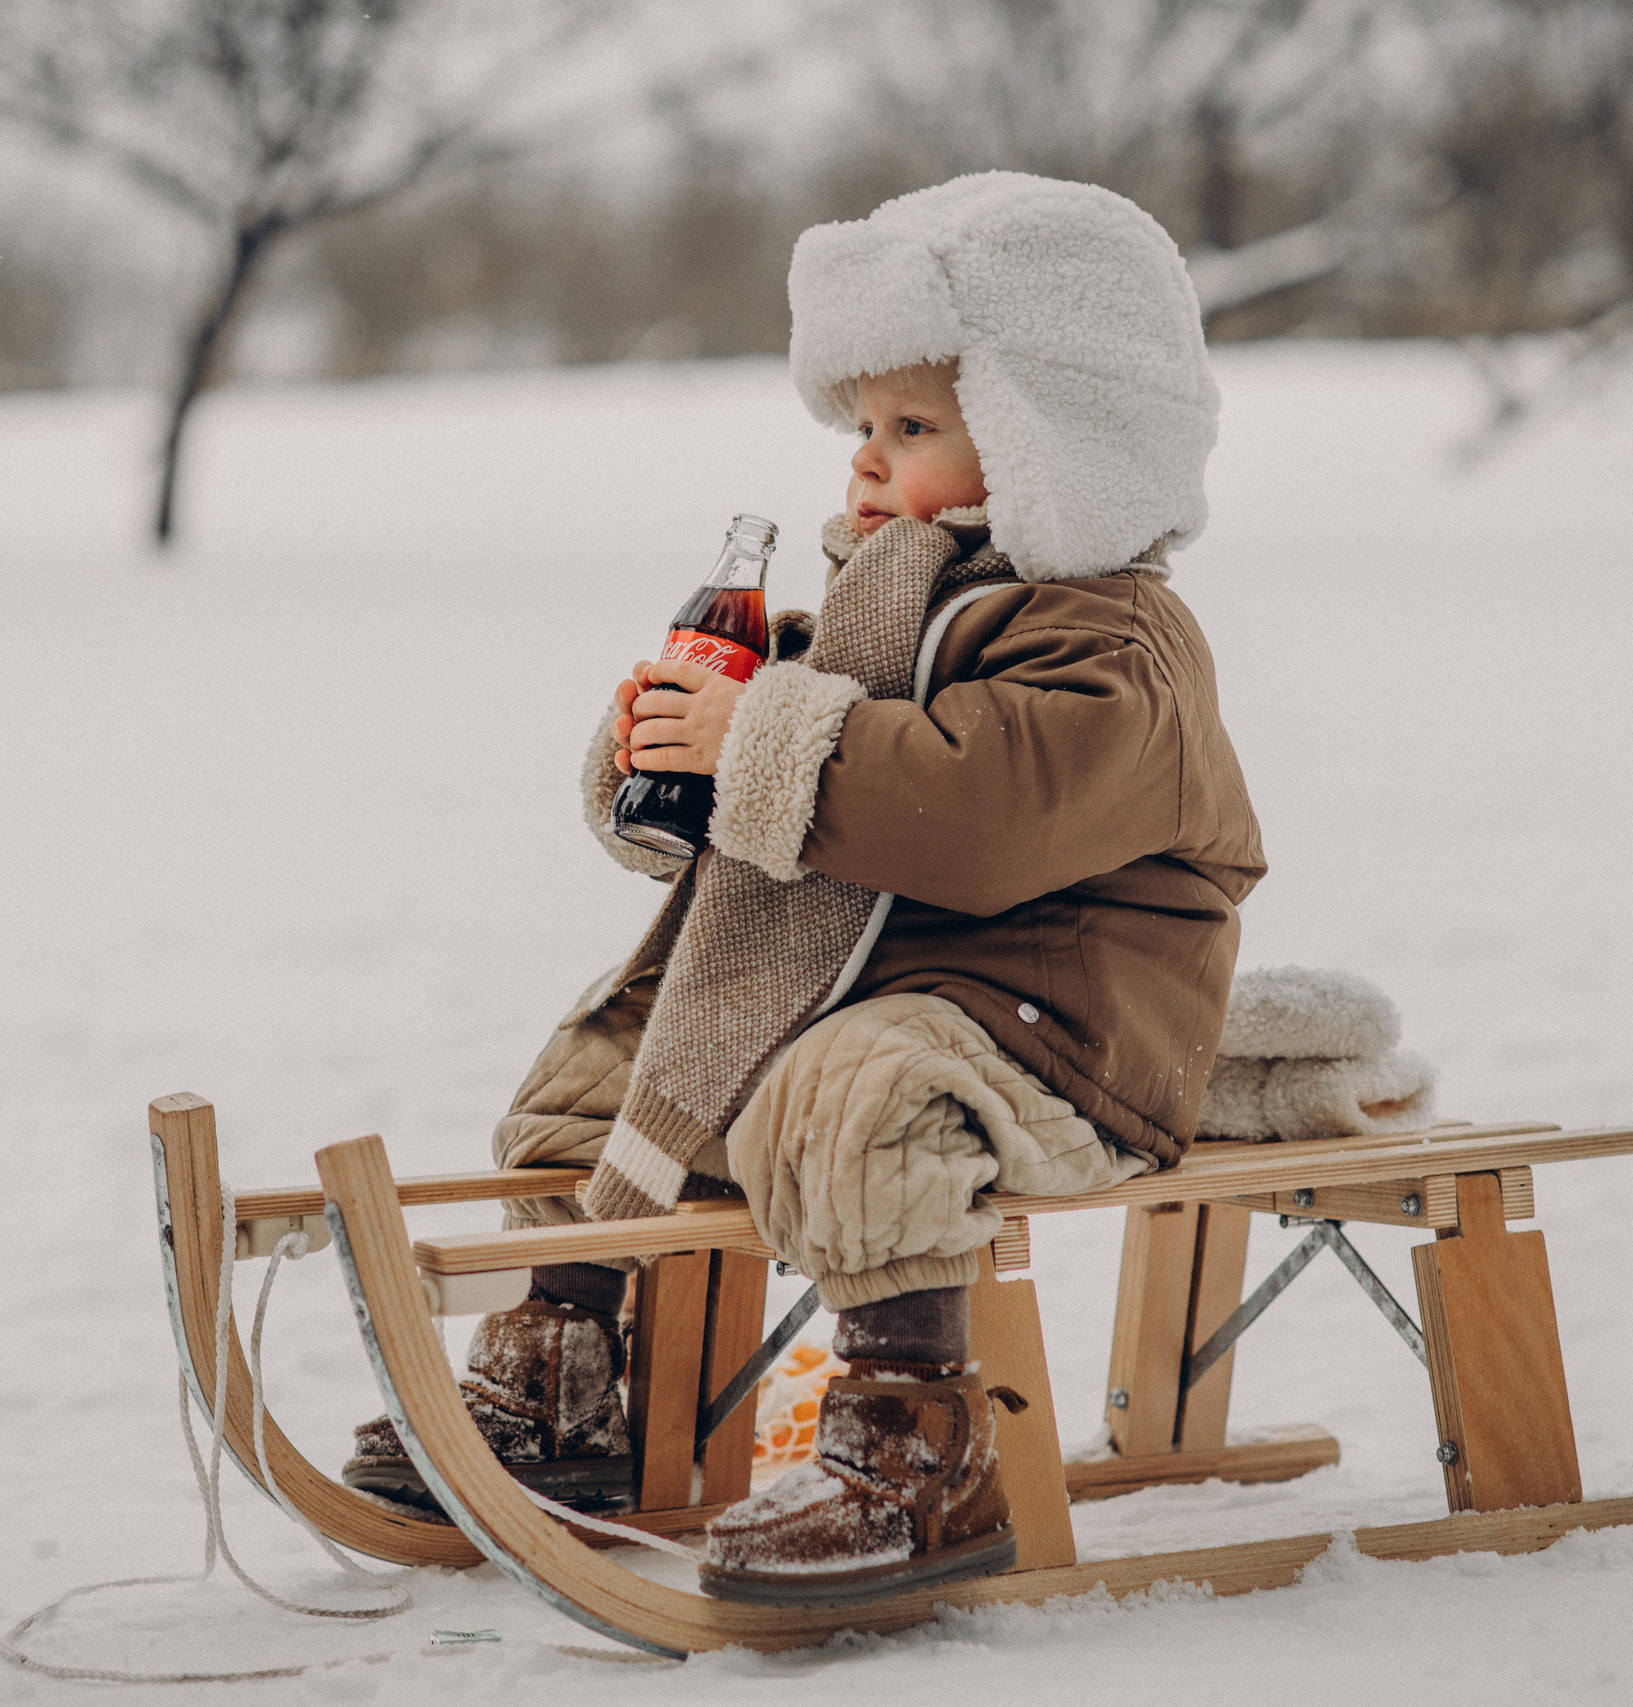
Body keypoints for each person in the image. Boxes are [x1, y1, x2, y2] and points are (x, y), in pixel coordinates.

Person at [344, 171, 1264, 1604]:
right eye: (861, 428)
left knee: (847, 1102)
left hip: (1061, 1014)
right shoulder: (874, 614)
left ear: (1051, 438)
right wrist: (681, 748)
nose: (864, 463)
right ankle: (572, 1385)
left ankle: (917, 1451)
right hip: (885, 976)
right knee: (601, 1066)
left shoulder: (1113, 642)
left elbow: (978, 813)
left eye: (914, 428)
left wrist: (766, 736)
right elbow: (795, 797)